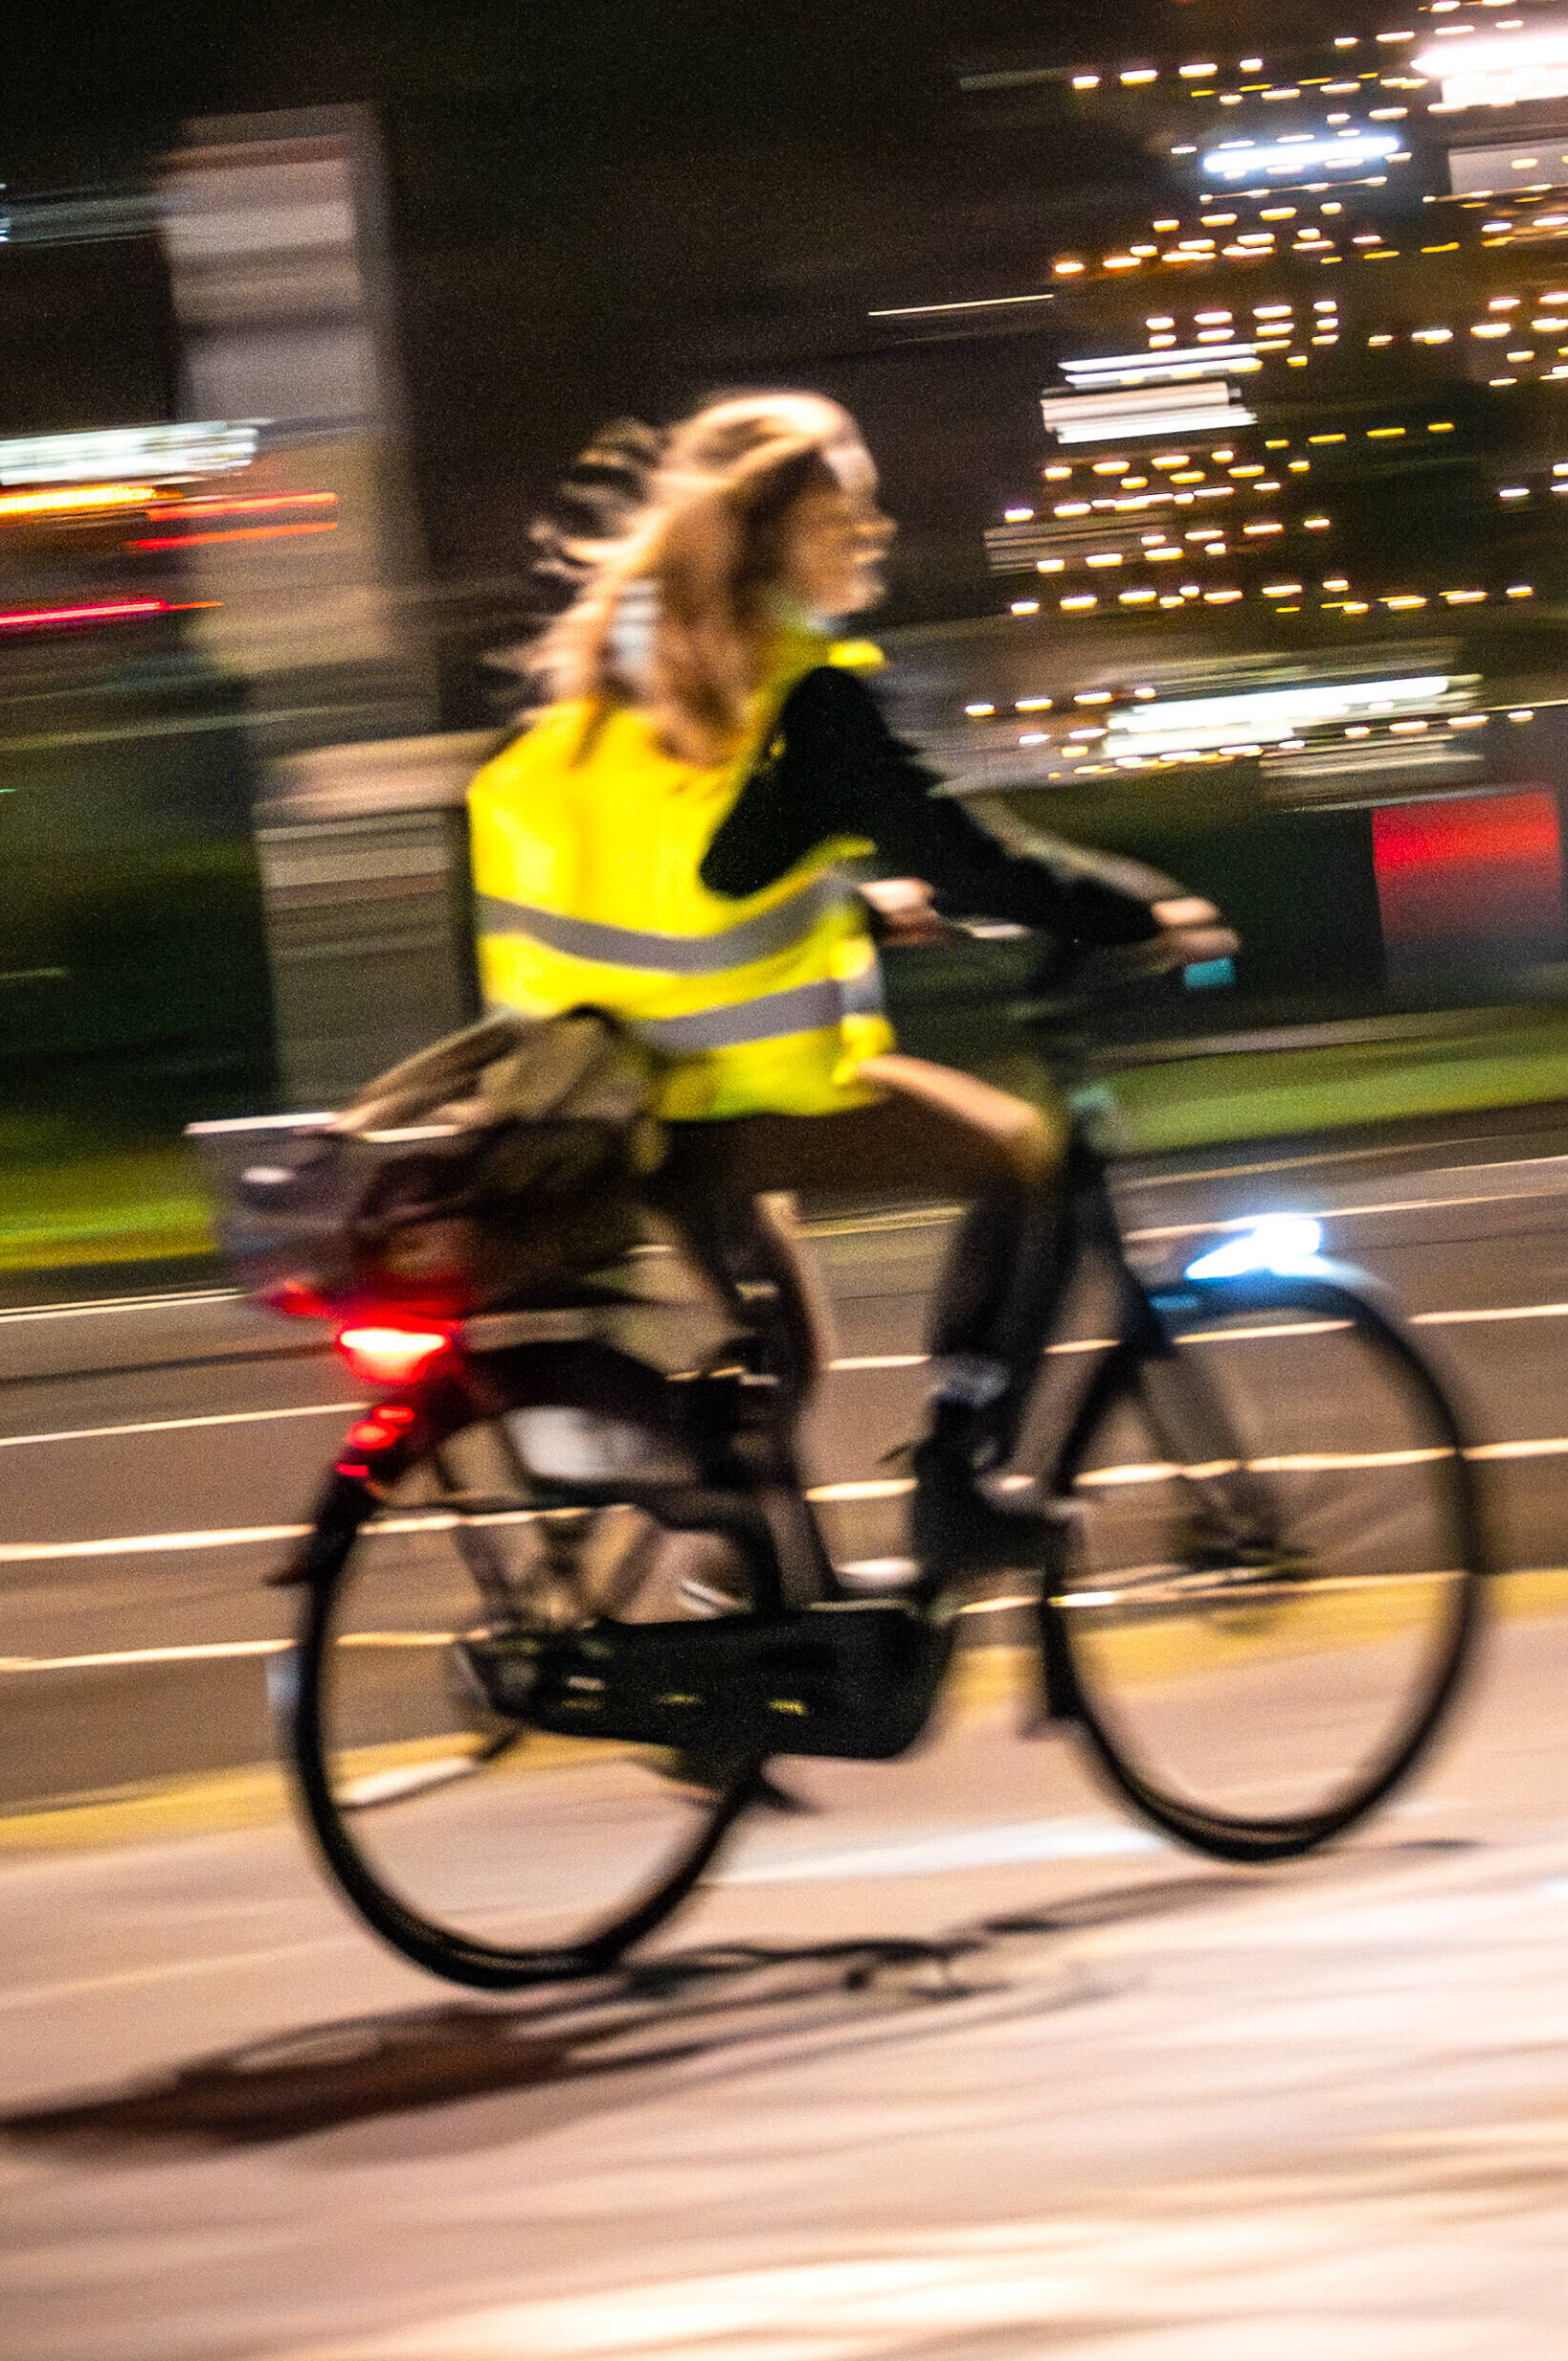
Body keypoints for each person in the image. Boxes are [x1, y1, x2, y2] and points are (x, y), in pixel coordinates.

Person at [464, 390, 1234, 1583]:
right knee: (1024, 1159)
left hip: (606, 1100)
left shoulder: (630, 678)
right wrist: (1143, 911)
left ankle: (749, 1609)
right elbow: (967, 851)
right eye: (844, 516)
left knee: (778, 1358)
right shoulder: (802, 699)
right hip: (721, 1100)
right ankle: (958, 1486)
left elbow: (694, 872)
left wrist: (859, 908)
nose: (872, 535)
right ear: (769, 540)